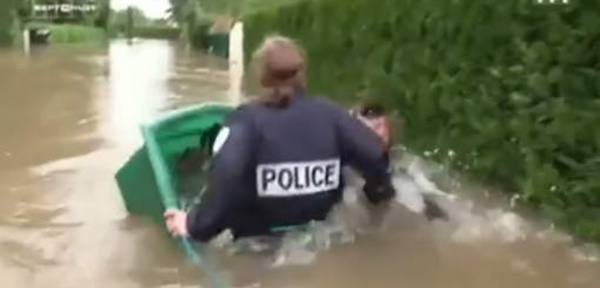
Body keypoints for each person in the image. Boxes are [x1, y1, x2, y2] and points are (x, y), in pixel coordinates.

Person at [164, 36, 396, 242]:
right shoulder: (331, 114)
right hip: (321, 234)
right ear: (302, 75)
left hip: (257, 244)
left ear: (261, 77)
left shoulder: (245, 121)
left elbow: (228, 176)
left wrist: (195, 224)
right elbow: (376, 155)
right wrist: (376, 195)